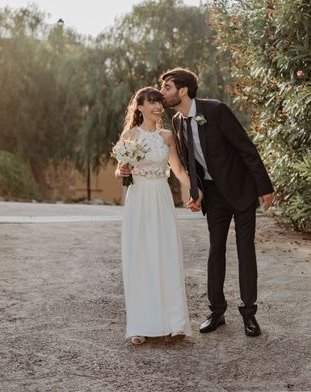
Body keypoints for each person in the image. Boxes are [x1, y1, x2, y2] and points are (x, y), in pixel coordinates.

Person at [159, 68, 274, 337]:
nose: (163, 92)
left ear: (183, 90)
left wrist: (264, 186)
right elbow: (189, 162)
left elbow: (245, 147)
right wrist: (195, 193)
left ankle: (249, 314)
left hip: (241, 189)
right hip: (213, 194)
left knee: (245, 250)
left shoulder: (216, 110)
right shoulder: (177, 121)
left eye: (167, 87)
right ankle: (217, 311)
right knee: (215, 251)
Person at [115, 87, 202, 345]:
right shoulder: (130, 135)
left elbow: (177, 169)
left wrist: (196, 193)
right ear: (139, 107)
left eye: (159, 102)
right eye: (151, 102)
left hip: (162, 199)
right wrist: (123, 170)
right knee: (140, 258)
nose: (157, 107)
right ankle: (140, 325)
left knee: (167, 257)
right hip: (139, 199)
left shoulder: (166, 136)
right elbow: (119, 172)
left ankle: (173, 324)